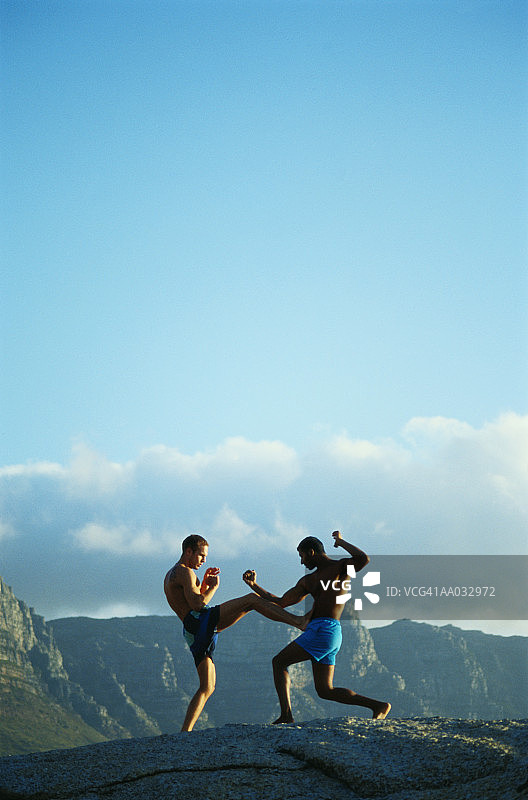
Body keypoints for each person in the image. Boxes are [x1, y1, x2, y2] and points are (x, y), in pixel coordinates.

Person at [164, 533, 308, 732]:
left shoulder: (171, 574)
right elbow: (197, 604)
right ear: (188, 551)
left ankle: (185, 732)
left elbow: (189, 600)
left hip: (192, 630)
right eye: (201, 555)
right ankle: (298, 621)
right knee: (251, 600)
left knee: (207, 687)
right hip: (200, 621)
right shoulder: (184, 572)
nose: (204, 560)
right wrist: (213, 588)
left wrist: (204, 583)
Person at [243, 530, 391, 723]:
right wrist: (254, 585)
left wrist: (340, 542)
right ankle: (378, 706)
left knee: (279, 662)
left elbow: (363, 559)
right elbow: (281, 602)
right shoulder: (308, 581)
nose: (301, 562)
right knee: (325, 690)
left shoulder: (341, 567)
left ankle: (286, 715)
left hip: (322, 631)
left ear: (311, 552)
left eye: (302, 556)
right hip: (331, 633)